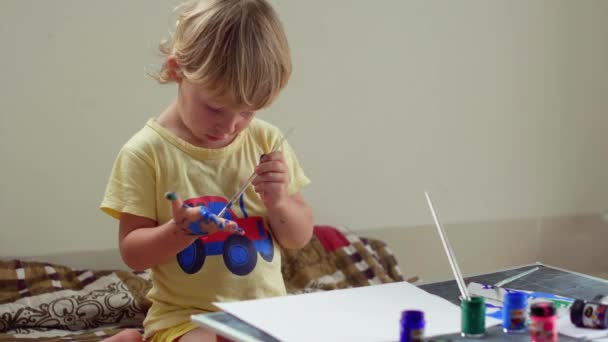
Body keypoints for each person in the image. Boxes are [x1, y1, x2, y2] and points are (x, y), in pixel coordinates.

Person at [100, 0, 313, 341]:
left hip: (267, 317)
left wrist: (278, 203)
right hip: (187, 320)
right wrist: (180, 232)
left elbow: (298, 237)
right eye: (215, 107)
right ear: (176, 71)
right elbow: (133, 254)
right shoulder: (146, 153)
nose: (229, 127)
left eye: (247, 112)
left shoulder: (266, 141)